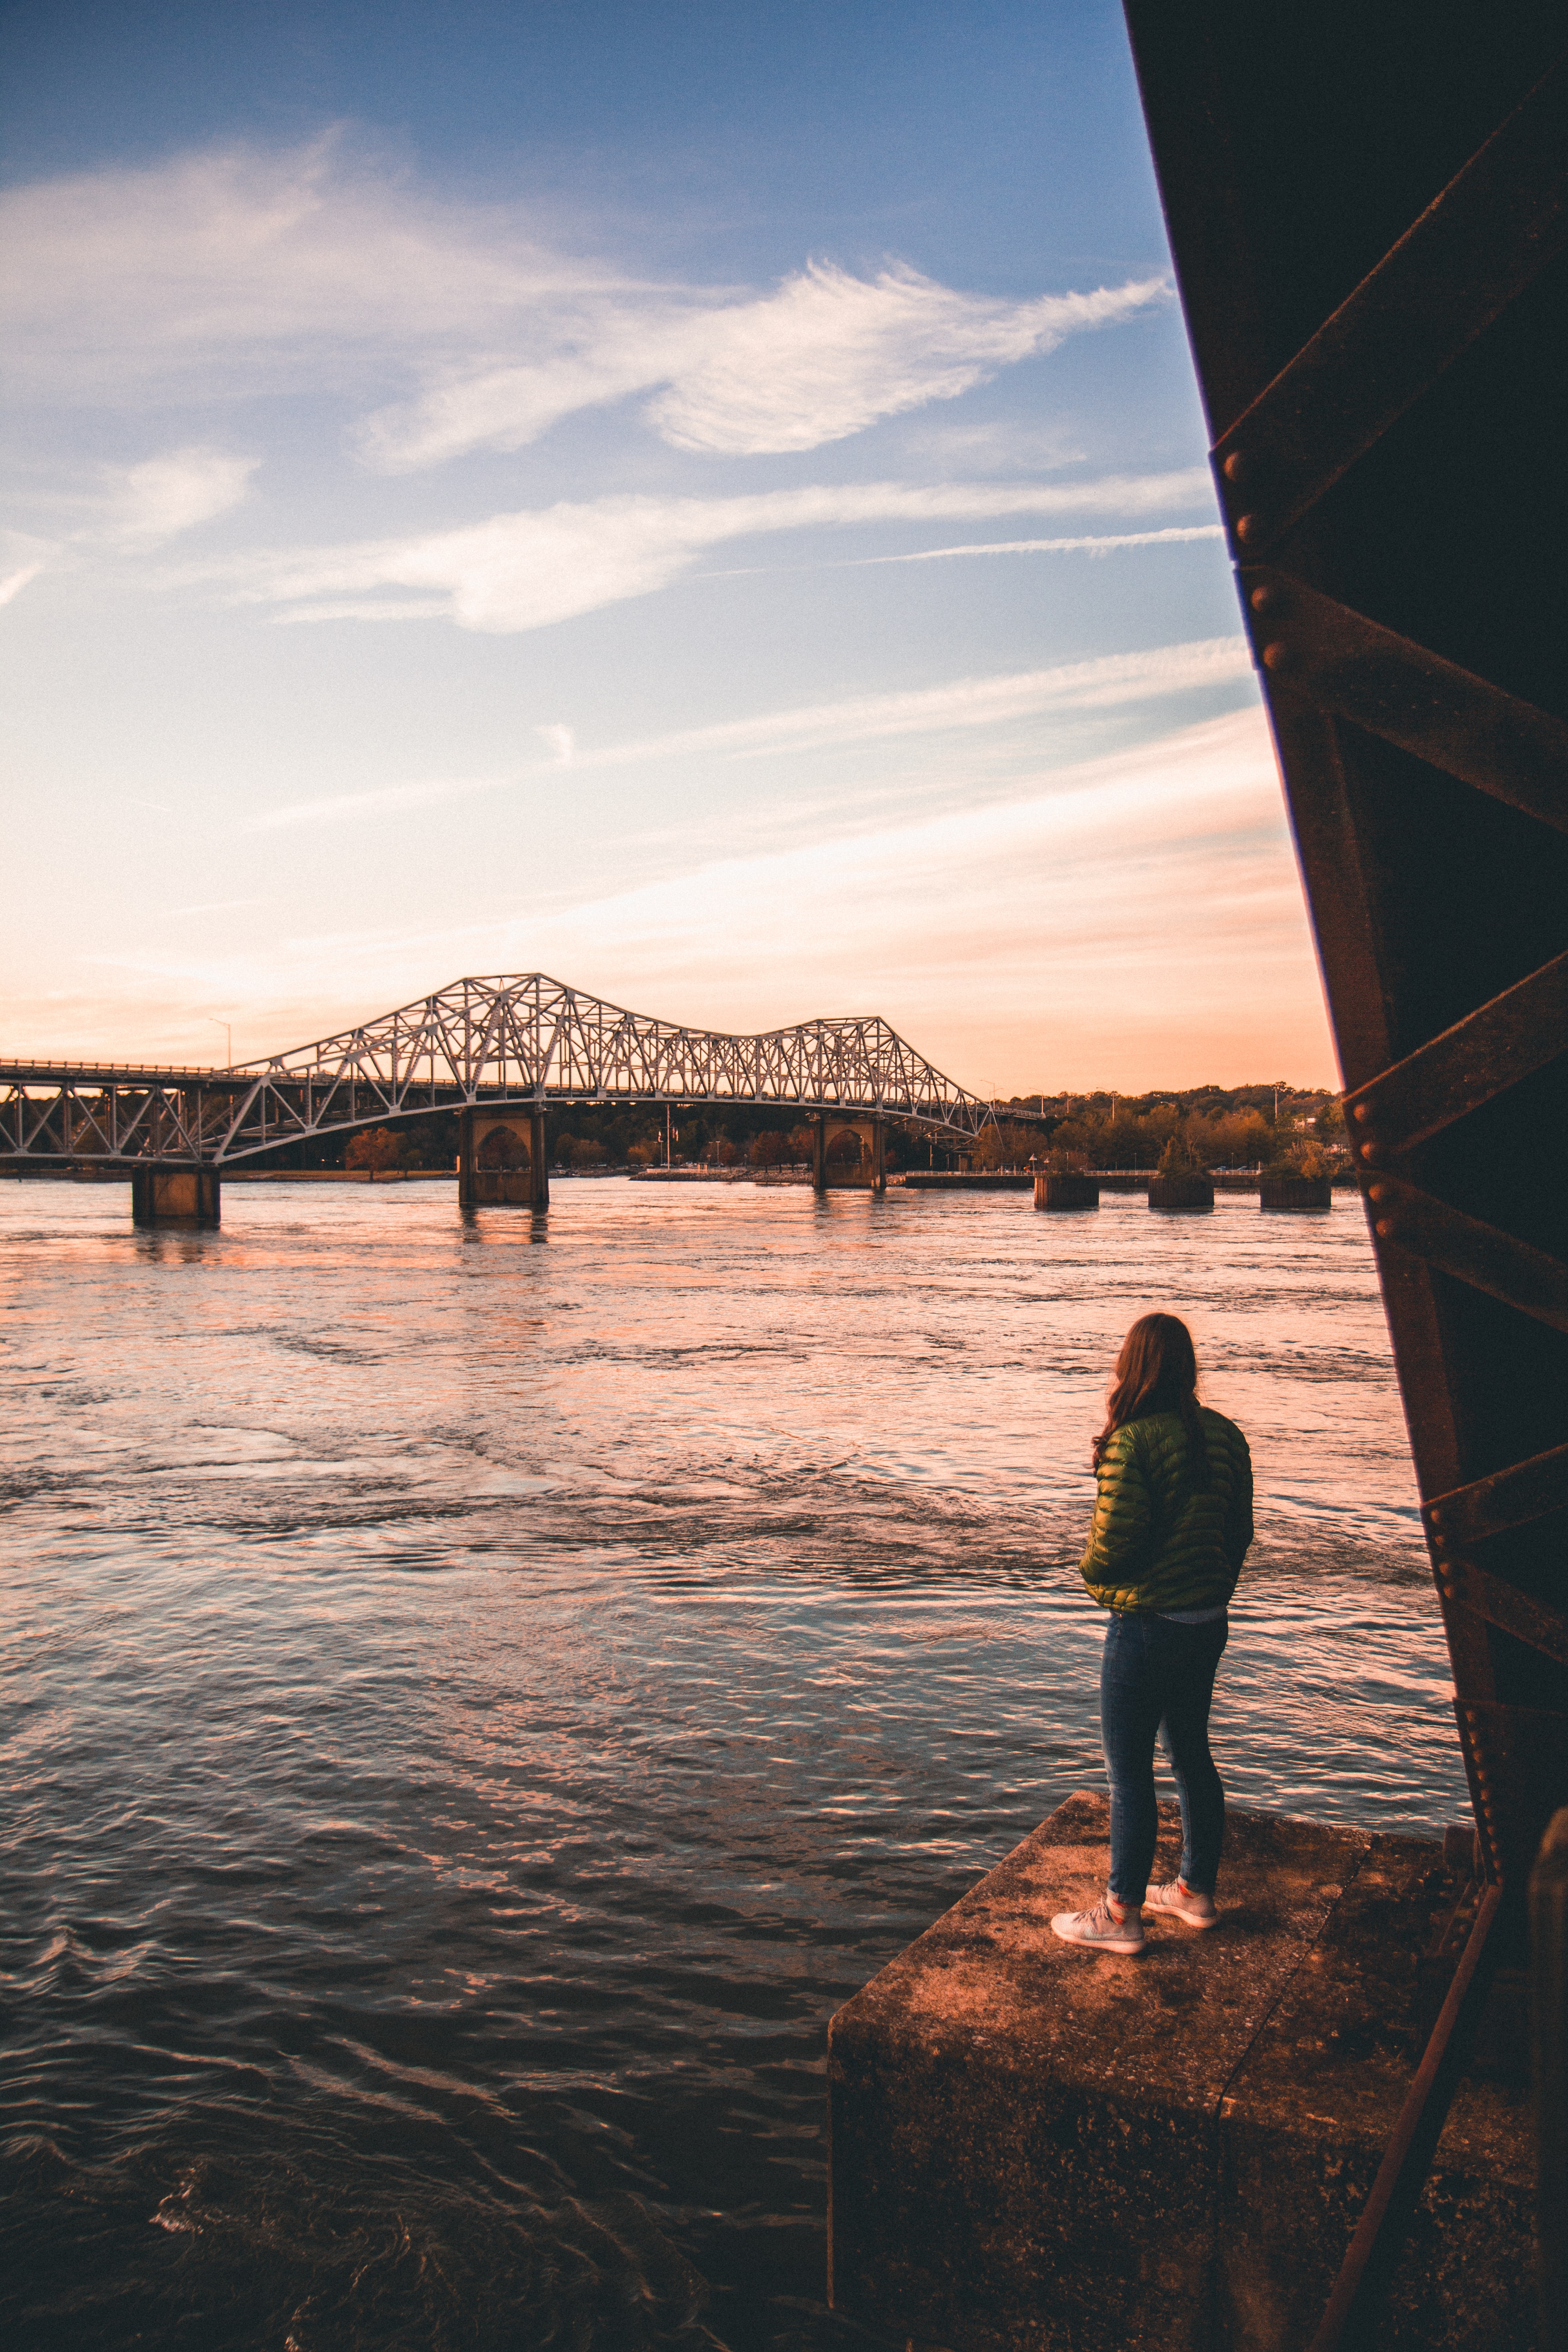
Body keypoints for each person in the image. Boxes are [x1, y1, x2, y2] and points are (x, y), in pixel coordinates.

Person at [1051, 1312, 1253, 1958]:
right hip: (1206, 1621)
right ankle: (1194, 1891)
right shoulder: (1226, 1435)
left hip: (1145, 1626)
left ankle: (1121, 1915)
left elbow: (1112, 1548)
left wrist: (1087, 1575)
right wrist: (1210, 1584)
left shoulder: (1132, 1442)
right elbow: (1239, 1531)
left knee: (1129, 1771)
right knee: (1192, 1753)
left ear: (1132, 1367)